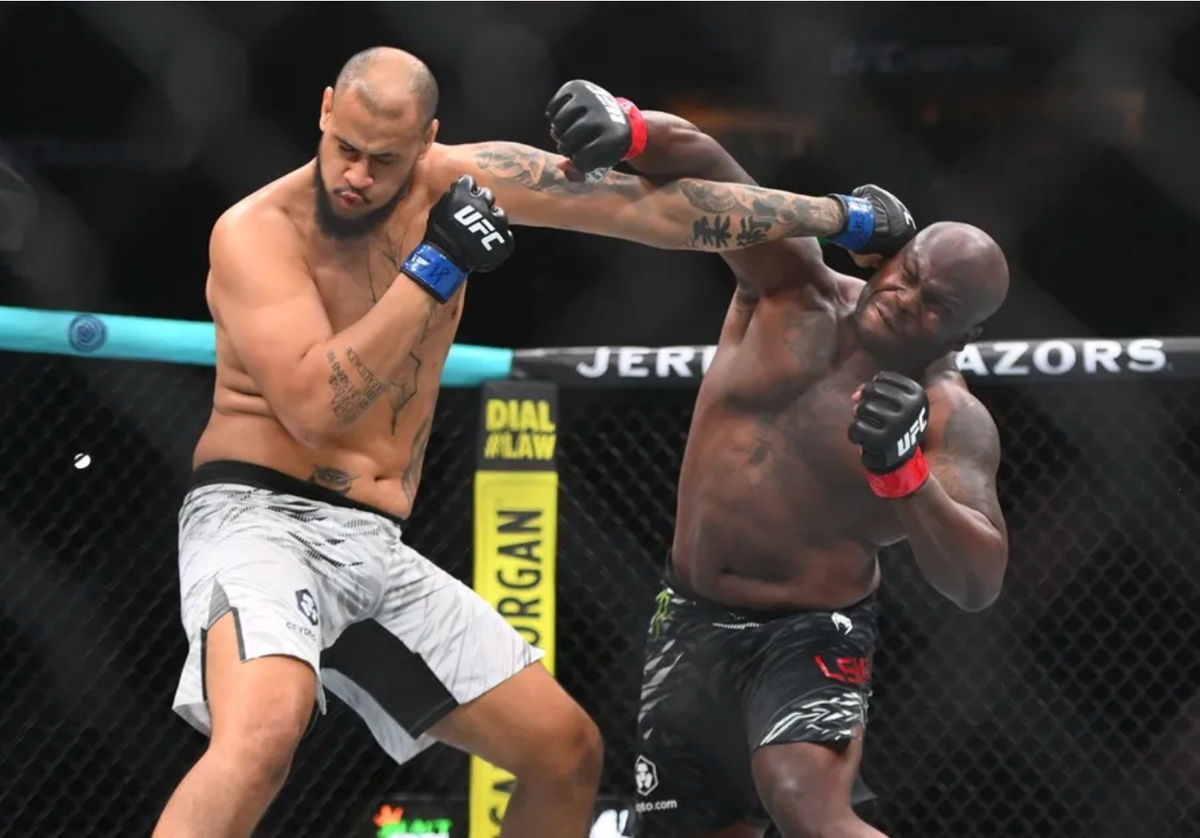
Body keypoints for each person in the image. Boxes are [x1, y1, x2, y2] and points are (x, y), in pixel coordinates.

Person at [155, 47, 914, 838]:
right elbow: (318, 407)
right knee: (262, 736)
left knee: (563, 751)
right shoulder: (255, 232)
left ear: (427, 139)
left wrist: (839, 215)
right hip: (258, 518)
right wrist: (435, 267)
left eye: (385, 159)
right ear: (323, 111)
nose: (357, 174)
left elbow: (658, 210)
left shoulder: (460, 179)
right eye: (346, 148)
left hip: (372, 540)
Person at [546, 80, 1011, 838]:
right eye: (910, 273)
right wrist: (628, 127)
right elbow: (708, 164)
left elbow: (979, 580)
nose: (904, 296)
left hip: (811, 630)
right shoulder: (792, 286)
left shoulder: (951, 417)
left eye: (935, 305)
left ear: (961, 337)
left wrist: (908, 478)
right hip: (688, 616)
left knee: (804, 803)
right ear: (891, 258)